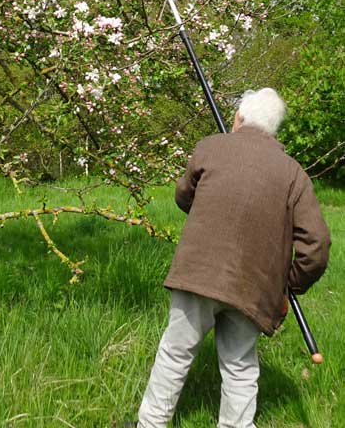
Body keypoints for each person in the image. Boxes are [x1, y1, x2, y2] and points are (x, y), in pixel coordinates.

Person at [132, 88, 331, 428]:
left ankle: (149, 425)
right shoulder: (293, 173)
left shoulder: (210, 147)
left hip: (198, 274)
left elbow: (183, 197)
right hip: (253, 287)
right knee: (240, 367)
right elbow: (317, 245)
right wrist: (288, 285)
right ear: (273, 130)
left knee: (175, 354)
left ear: (239, 117)